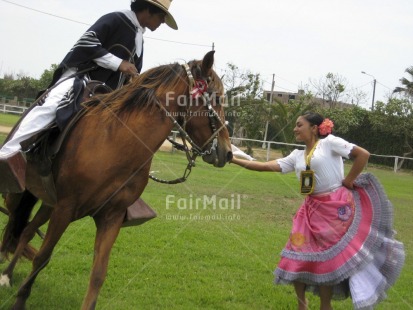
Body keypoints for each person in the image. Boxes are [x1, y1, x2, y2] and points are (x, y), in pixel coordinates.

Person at [231, 112, 405, 309]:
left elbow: (362, 155)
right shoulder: (296, 155)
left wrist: (348, 181)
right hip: (310, 208)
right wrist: (232, 159)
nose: (295, 129)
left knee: (327, 257)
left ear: (314, 128)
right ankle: (301, 303)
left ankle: (325, 305)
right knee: (295, 249)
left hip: (334, 209)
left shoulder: (330, 142)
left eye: (299, 125)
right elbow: (262, 166)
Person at [0, 0, 177, 191]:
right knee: (52, 104)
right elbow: (87, 41)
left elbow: (131, 71)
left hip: (109, 94)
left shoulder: (140, 38)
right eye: (161, 17)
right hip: (82, 78)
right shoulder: (116, 19)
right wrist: (119, 63)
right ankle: (7, 153)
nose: (161, 23)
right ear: (148, 11)